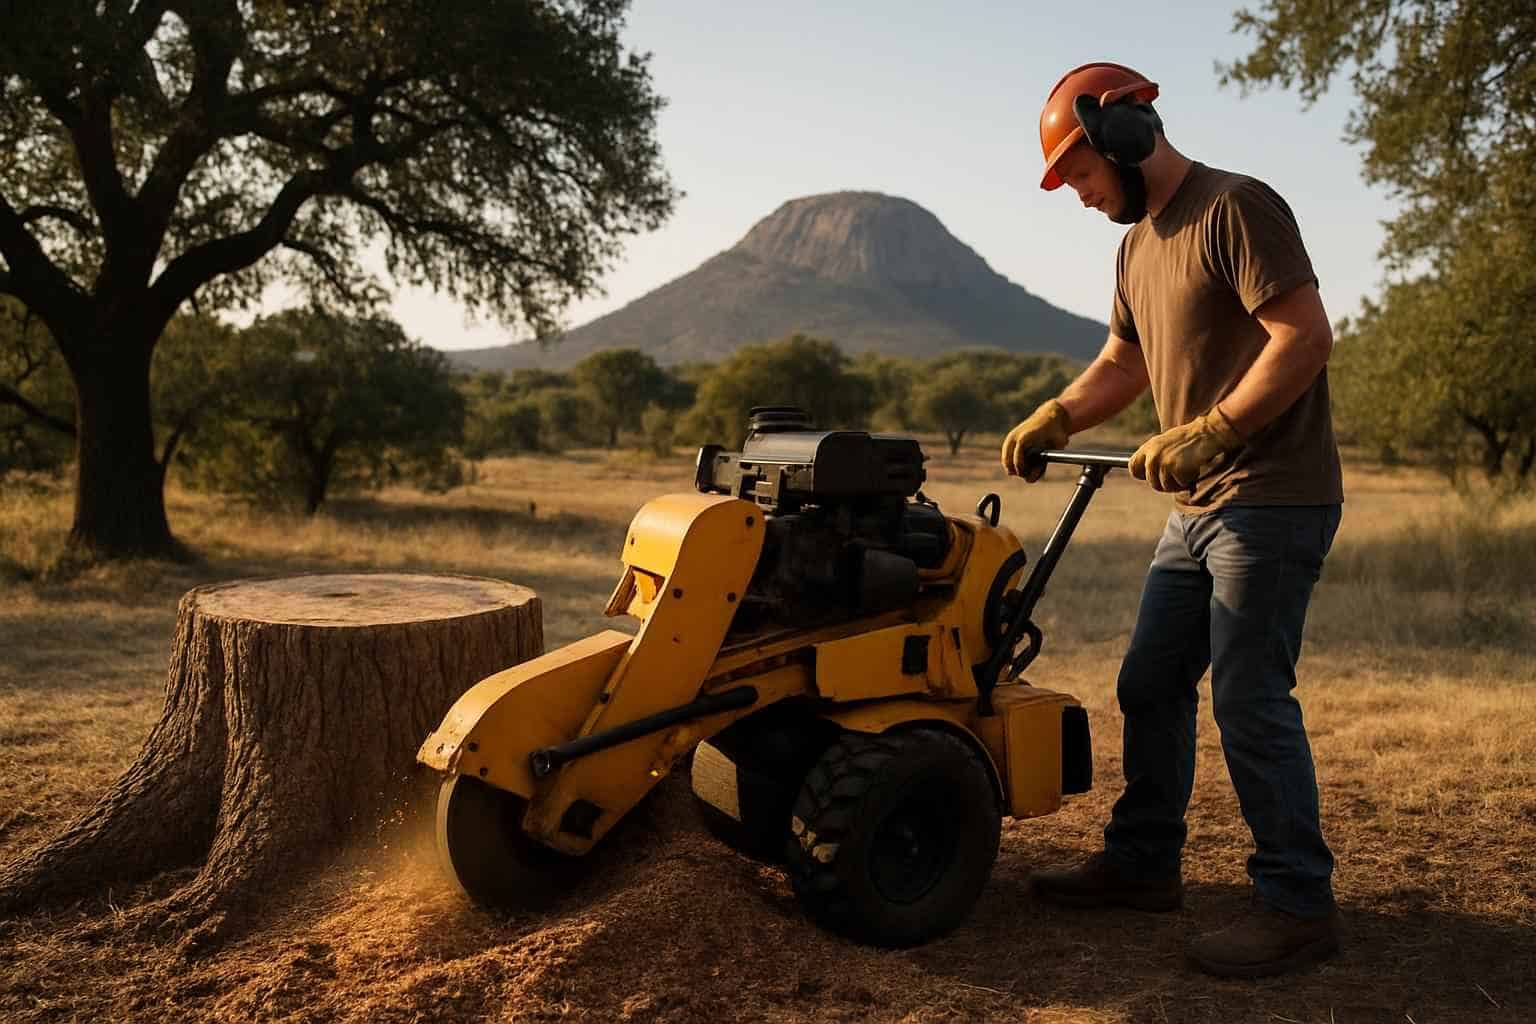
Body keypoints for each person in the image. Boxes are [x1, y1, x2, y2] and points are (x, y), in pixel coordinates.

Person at [1000, 61, 1344, 979]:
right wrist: (1059, 415)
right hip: (1196, 509)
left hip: (1271, 496)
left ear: (1121, 133)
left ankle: (1298, 904)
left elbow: (1304, 337)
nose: (1078, 196)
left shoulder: (1237, 207)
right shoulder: (1135, 244)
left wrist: (1219, 426)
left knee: (1249, 698)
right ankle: (1145, 865)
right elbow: (1125, 362)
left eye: (1078, 173)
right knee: (1149, 682)